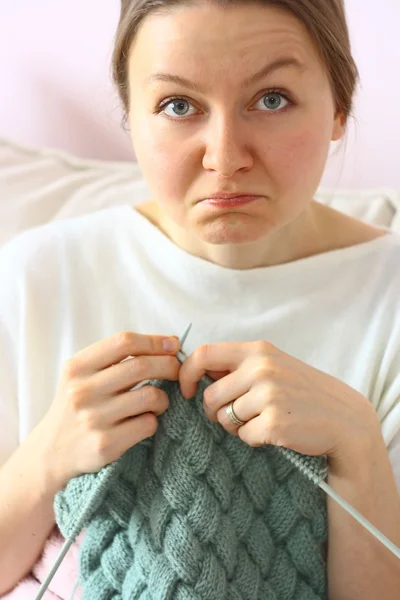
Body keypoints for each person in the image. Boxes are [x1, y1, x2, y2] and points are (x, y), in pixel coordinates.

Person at [0, 0, 399, 597]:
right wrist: (45, 460)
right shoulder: (36, 276)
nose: (225, 157)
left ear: (340, 107)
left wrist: (359, 451)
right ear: (130, 115)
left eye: (271, 99)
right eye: (178, 105)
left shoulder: (388, 297)